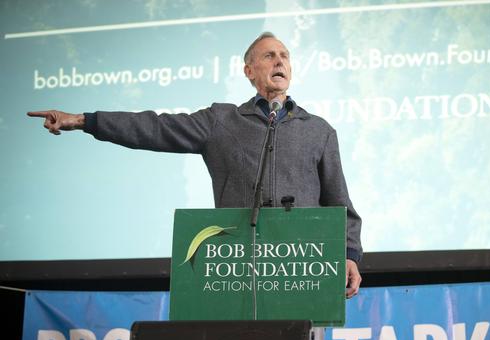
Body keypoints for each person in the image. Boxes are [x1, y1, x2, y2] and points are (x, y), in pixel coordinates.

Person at [27, 32, 363, 298]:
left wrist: (350, 254)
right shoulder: (222, 122)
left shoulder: (318, 130)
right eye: (269, 55)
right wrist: (85, 121)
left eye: (284, 55)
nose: (280, 61)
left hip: (301, 271)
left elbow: (340, 202)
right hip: (238, 273)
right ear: (249, 71)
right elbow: (154, 127)